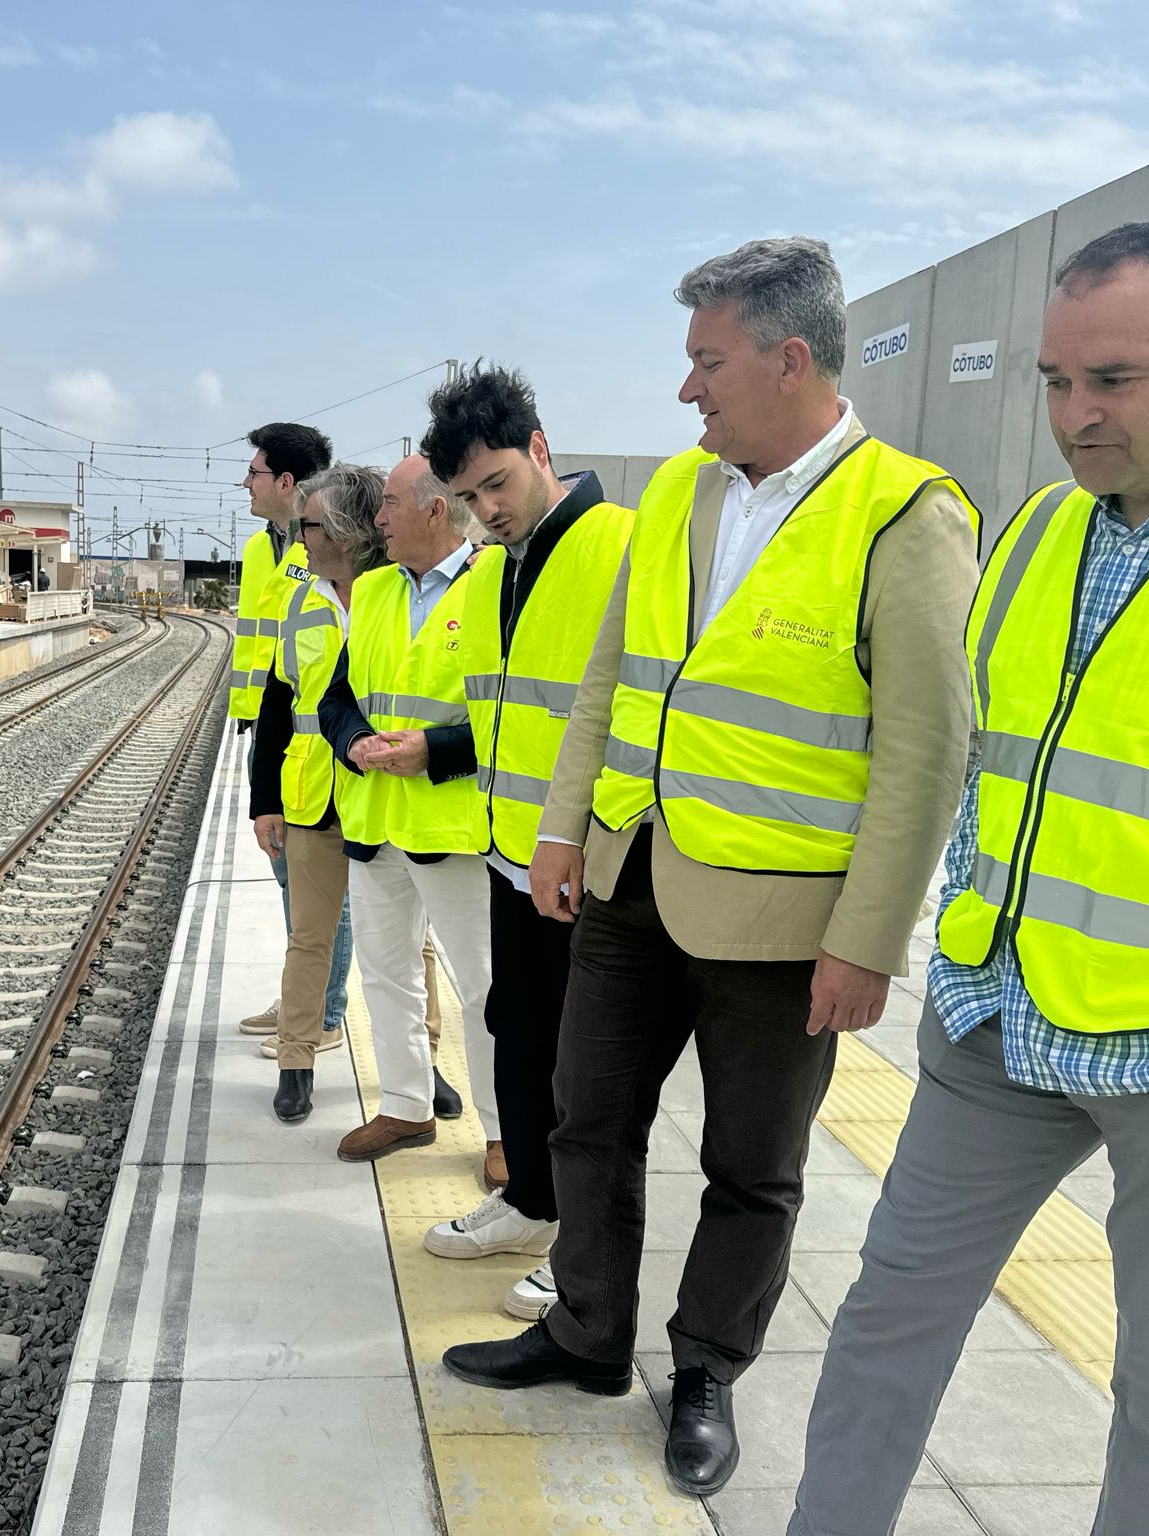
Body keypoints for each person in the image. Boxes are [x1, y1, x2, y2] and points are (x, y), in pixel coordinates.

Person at [788, 221, 1149, 1536]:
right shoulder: (1044, 529)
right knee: (886, 1317)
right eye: (1054, 383)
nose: (1075, 417)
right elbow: (999, 762)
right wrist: (960, 953)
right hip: (1007, 1022)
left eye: (1113, 380)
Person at [442, 236, 980, 1498]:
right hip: (632, 883)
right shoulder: (683, 494)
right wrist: (563, 831)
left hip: (783, 922)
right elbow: (608, 680)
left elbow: (924, 748)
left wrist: (867, 940)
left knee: (751, 1165)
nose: (686, 390)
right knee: (585, 1119)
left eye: (705, 361)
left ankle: (702, 1372)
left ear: (788, 360)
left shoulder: (905, 510)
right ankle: (583, 1332)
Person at [417, 364, 634, 1318]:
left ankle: (582, 1245)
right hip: (511, 853)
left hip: (586, 859)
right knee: (518, 1031)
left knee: (587, 1069)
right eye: (465, 498)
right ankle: (532, 1201)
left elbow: (625, 710)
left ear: (542, 451)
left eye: (496, 484)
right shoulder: (502, 566)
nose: (484, 511)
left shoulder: (619, 547)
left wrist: (582, 838)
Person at [319, 455, 499, 1177]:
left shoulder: (497, 585)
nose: (377, 519)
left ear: (434, 510)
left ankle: (505, 1132)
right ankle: (405, 1105)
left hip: (455, 828)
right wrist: (353, 739)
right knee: (386, 975)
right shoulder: (375, 591)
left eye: (389, 504)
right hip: (377, 823)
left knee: (487, 989)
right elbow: (338, 698)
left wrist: (440, 749)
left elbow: (519, 712)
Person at [249, 465, 391, 1121]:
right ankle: (296, 1062)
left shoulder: (402, 592)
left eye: (309, 525)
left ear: (348, 530)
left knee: (406, 945)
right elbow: (278, 703)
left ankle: (420, 1074)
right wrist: (263, 801)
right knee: (309, 938)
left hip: (390, 795)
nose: (299, 537)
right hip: (312, 795)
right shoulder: (301, 598)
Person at [229, 423, 354, 1053]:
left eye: (253, 472)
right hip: (278, 731)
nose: (244, 484)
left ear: (285, 481)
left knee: (325, 888)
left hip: (332, 739)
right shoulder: (263, 550)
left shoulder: (329, 547)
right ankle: (302, 999)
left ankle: (324, 1012)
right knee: (290, 880)